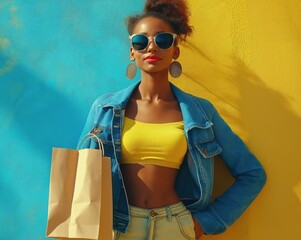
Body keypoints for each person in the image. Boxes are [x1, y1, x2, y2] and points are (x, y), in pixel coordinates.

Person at [78, 0, 267, 239]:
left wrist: (207, 222)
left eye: (163, 40)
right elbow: (82, 174)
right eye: (141, 41)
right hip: (119, 227)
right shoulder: (105, 108)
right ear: (132, 52)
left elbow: (252, 174)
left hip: (175, 226)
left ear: (175, 51)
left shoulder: (200, 112)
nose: (151, 47)